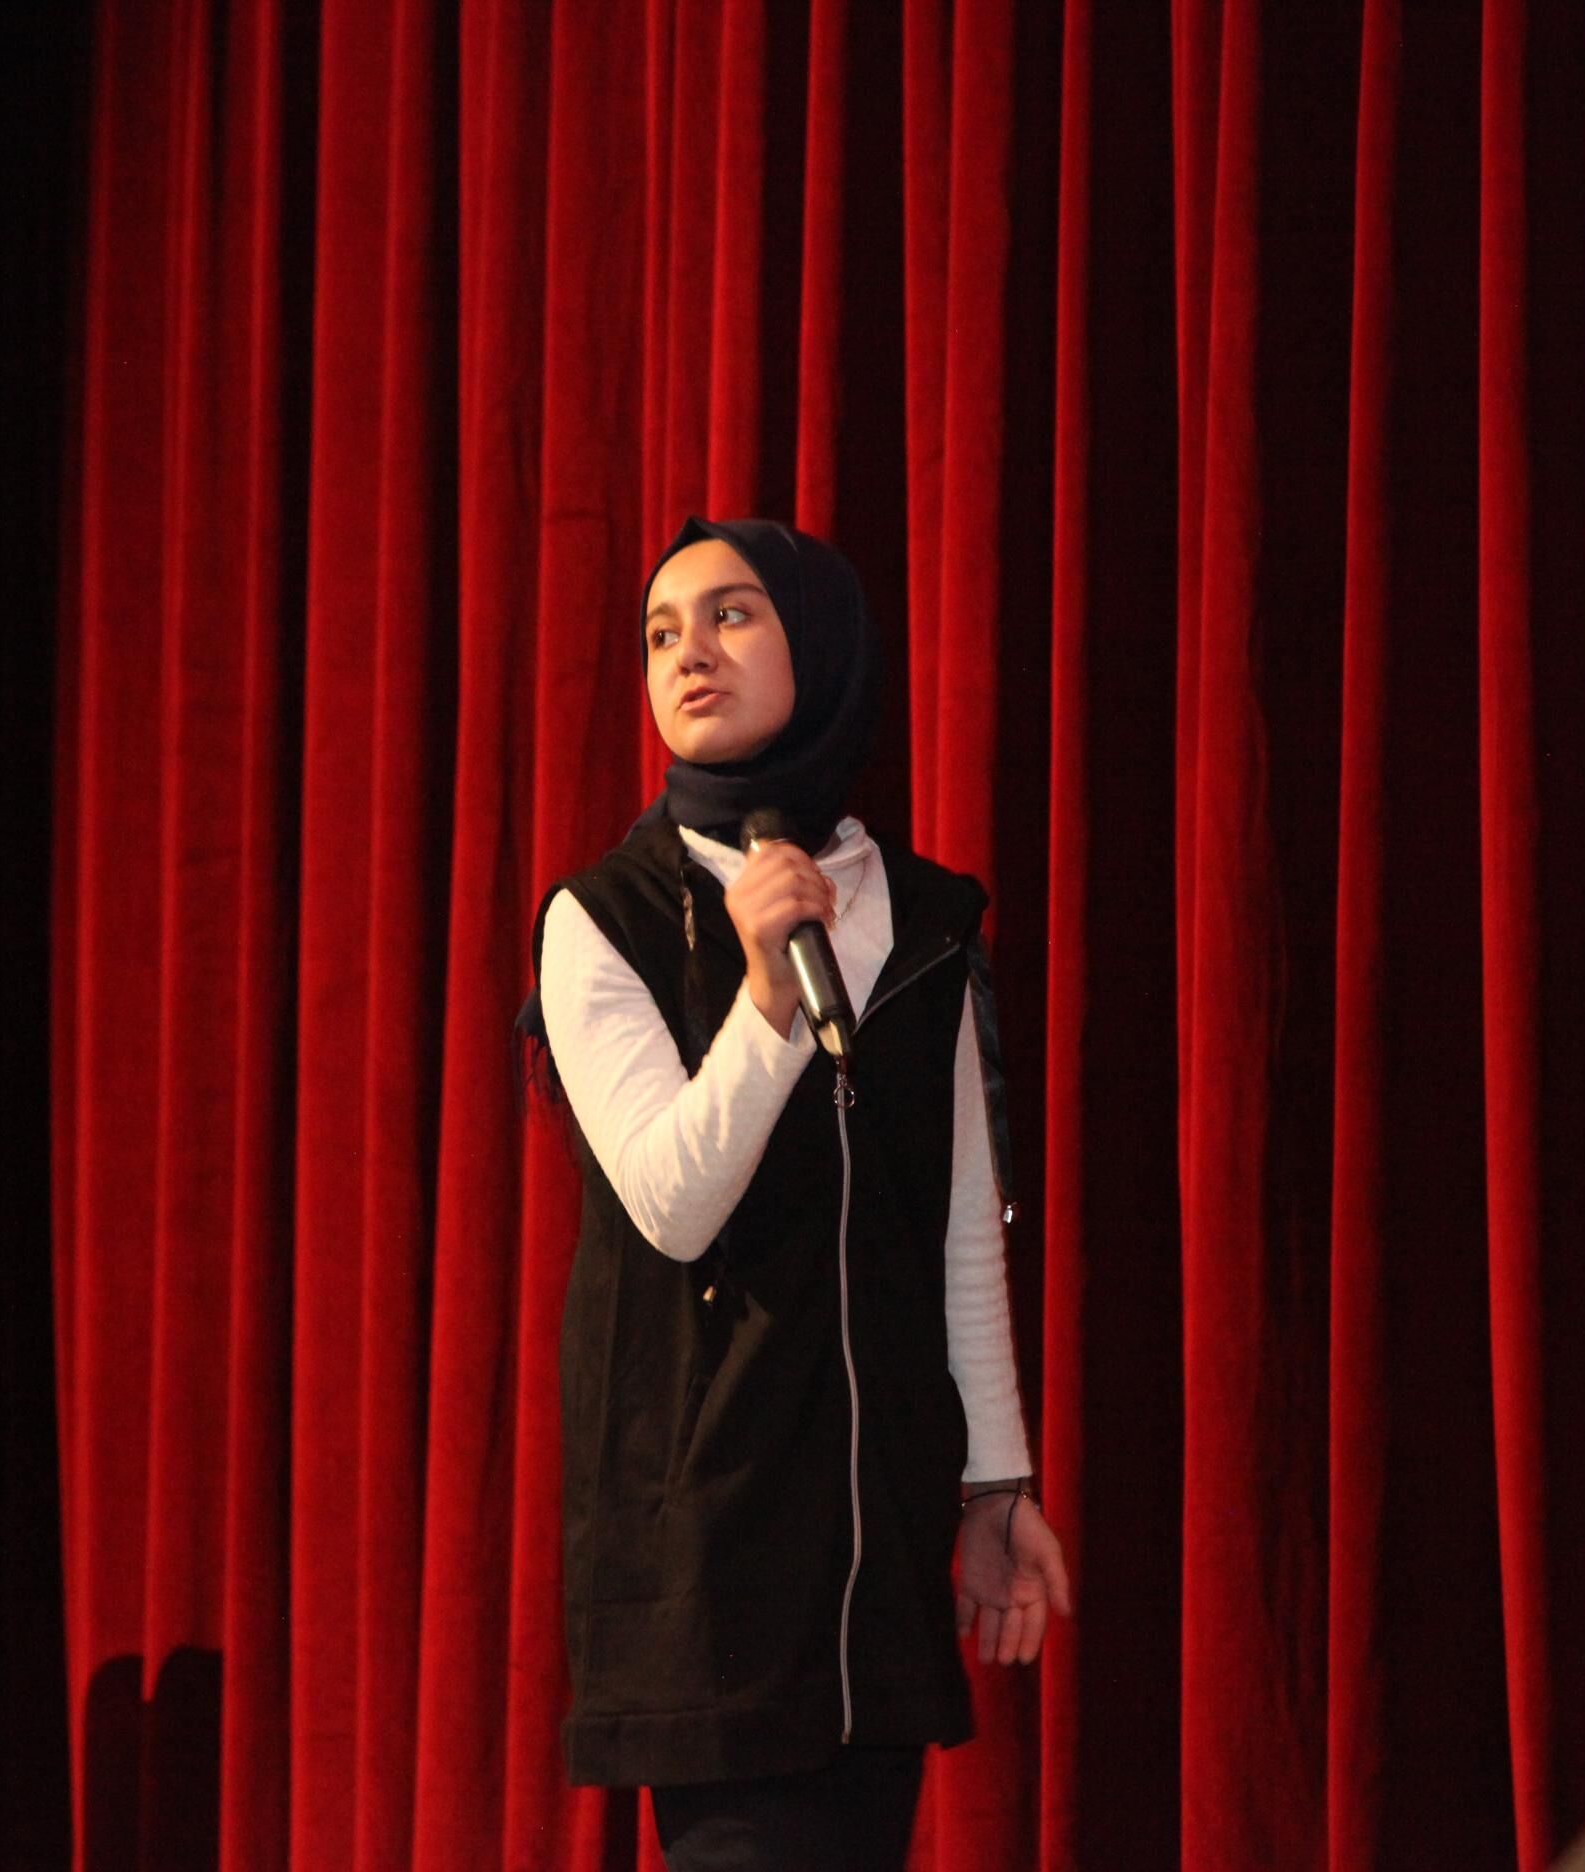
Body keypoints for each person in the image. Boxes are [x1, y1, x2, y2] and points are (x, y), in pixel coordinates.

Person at [524, 517, 1073, 1869]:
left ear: (820, 646)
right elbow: (671, 1204)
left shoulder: (926, 915)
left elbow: (959, 1220)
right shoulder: (603, 917)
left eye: (732, 615)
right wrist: (768, 999)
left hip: (880, 1537)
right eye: (662, 633)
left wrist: (994, 1483)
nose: (689, 654)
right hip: (707, 1536)